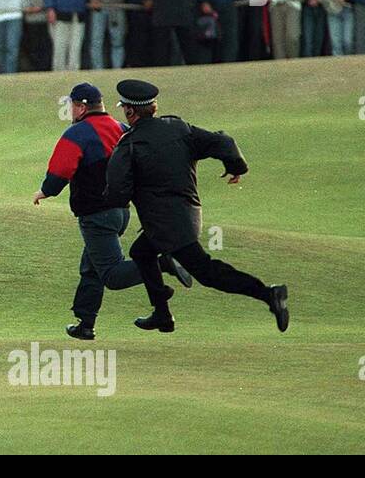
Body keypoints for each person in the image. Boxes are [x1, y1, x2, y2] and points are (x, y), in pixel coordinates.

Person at [104, 79, 290, 334]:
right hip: (188, 215)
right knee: (141, 252)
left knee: (208, 272)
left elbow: (116, 193)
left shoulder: (130, 145)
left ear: (129, 111)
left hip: (167, 226)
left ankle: (269, 295)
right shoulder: (178, 128)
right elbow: (224, 142)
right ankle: (162, 314)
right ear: (154, 108)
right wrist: (235, 168)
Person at [34, 82, 191, 340]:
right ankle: (85, 324)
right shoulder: (122, 128)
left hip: (97, 215)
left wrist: (45, 191)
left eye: (72, 105)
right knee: (92, 267)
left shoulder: (77, 134)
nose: (71, 111)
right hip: (121, 213)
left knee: (112, 275)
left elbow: (60, 171)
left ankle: (163, 263)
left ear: (81, 107)